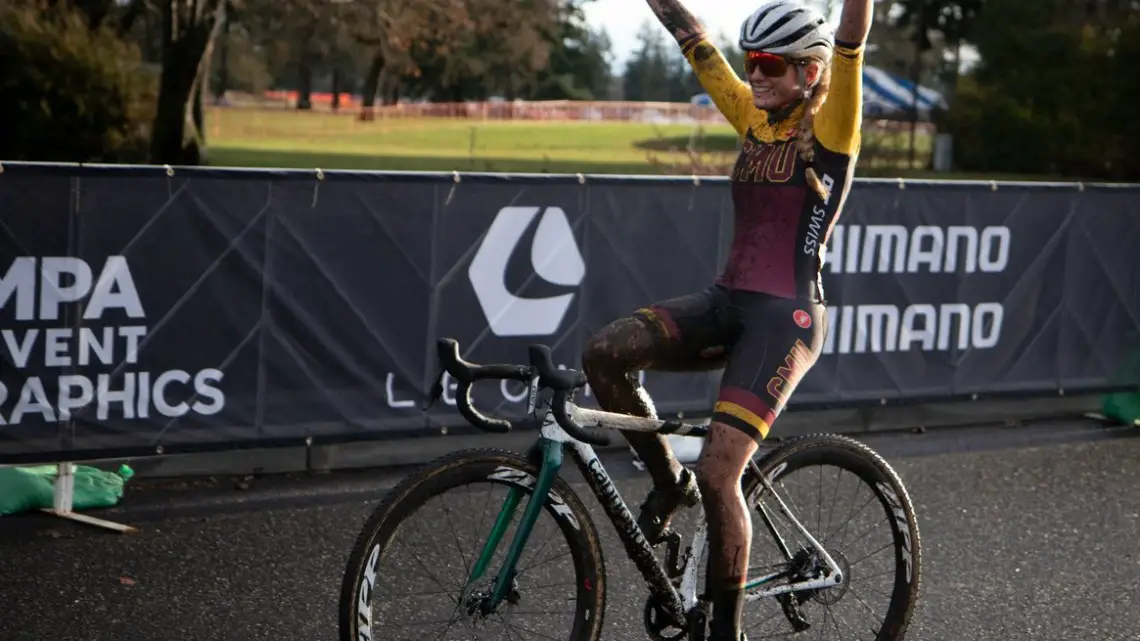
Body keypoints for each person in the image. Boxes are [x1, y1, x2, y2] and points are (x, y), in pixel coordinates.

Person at [580, 0, 873, 639]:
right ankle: (665, 483)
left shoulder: (834, 127)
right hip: (728, 300)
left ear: (812, 73)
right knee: (605, 353)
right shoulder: (751, 115)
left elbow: (852, 38)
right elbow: (694, 39)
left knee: (722, 473)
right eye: (752, 63)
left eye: (770, 64)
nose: (756, 75)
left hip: (785, 320)